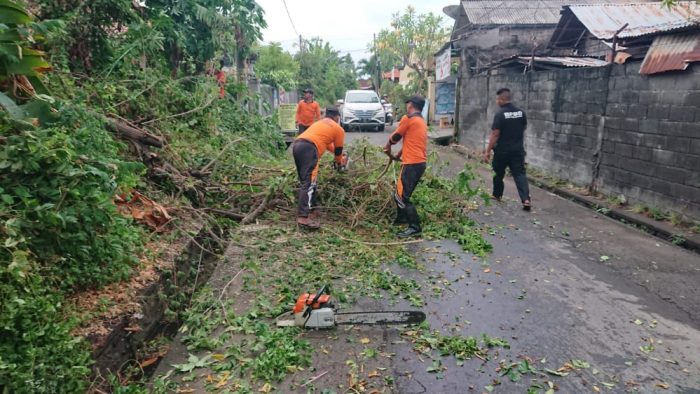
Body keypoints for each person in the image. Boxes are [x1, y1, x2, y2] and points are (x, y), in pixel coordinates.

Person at [293, 107, 345, 228]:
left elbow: (328, 145)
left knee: (309, 181)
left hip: (298, 145)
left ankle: (312, 208)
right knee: (309, 183)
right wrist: (339, 162)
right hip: (310, 148)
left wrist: (341, 157)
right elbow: (338, 150)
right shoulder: (338, 129)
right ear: (337, 117)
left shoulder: (320, 124)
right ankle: (303, 217)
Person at [383, 95, 428, 238]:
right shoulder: (421, 121)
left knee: (401, 197)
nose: (406, 106)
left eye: (407, 103)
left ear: (411, 105)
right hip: (418, 163)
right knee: (400, 193)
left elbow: (396, 136)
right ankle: (402, 218)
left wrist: (388, 146)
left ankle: (415, 227)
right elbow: (410, 141)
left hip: (412, 164)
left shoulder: (408, 119)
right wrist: (398, 155)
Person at [483, 88, 532, 211]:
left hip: (502, 150)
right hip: (517, 150)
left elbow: (495, 134)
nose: (496, 101)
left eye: (497, 99)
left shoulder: (500, 114)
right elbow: (523, 127)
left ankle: (497, 194)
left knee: (498, 173)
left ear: (502, 99)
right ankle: (525, 199)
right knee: (520, 174)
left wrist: (487, 151)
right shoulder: (521, 113)